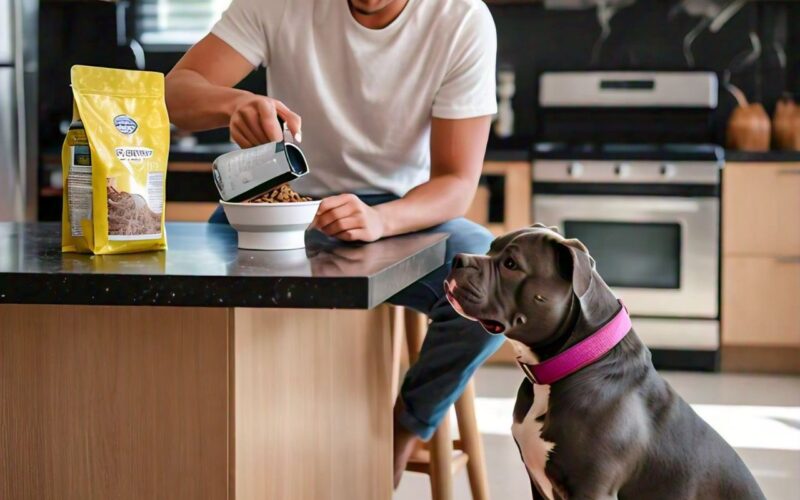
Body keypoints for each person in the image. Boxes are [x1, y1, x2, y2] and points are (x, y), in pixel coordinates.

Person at [165, 0, 504, 487]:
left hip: (402, 212)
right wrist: (233, 103)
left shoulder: (460, 19)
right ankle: (233, 447)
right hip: (286, 198)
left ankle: (401, 431)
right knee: (208, 292)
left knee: (487, 289)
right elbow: (174, 94)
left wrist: (381, 220)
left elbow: (455, 181)